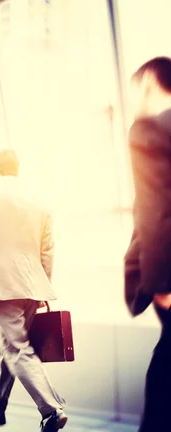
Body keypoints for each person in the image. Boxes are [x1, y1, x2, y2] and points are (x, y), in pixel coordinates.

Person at [0, 149, 66, 432]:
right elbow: (47, 251)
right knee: (11, 346)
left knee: (16, 348)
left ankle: (51, 409)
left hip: (3, 285)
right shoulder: (39, 201)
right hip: (32, 285)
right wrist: (41, 287)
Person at [124, 57, 171, 432]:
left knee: (163, 385)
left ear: (150, 85)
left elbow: (155, 212)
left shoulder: (151, 130)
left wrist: (161, 283)